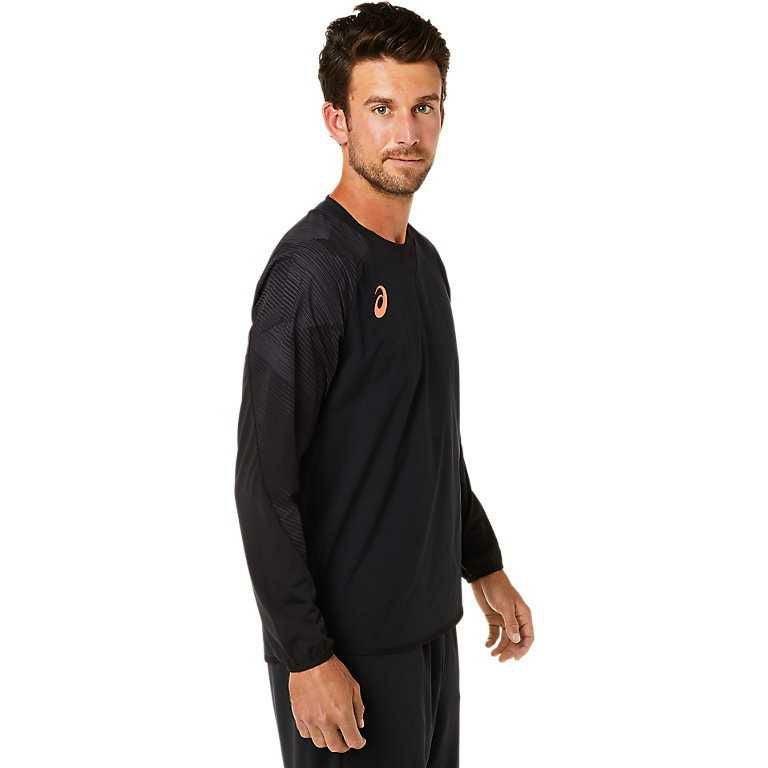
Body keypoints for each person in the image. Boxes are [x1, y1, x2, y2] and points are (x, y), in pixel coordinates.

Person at [234, 3, 534, 765]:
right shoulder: (312, 274)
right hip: (345, 655)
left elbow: (428, 438)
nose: (407, 132)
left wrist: (483, 562)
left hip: (429, 634)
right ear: (336, 120)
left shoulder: (424, 263)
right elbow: (263, 484)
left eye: (423, 107)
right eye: (381, 108)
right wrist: (306, 655)